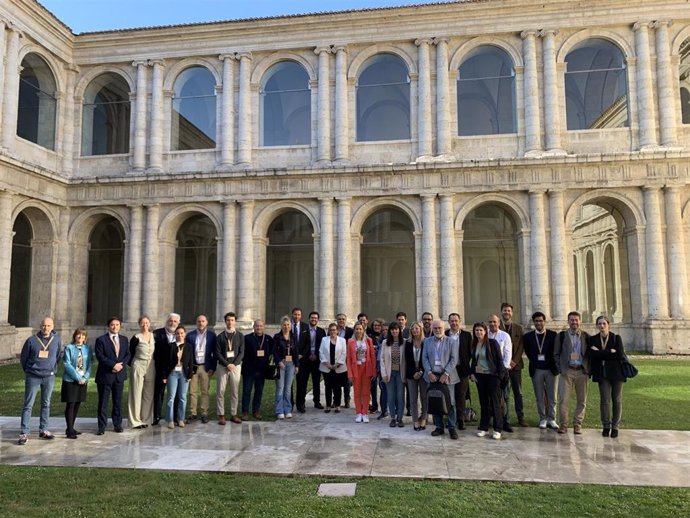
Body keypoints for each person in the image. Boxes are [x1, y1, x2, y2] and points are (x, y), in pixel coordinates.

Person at [18, 317, 63, 445]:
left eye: (48, 326)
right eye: (44, 325)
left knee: (46, 403)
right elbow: (24, 358)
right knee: (28, 405)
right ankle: (24, 432)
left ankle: (43, 429)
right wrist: (29, 370)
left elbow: (58, 356)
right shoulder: (32, 340)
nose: (46, 328)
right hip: (33, 376)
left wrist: (52, 369)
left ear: (52, 326)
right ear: (40, 326)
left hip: (49, 376)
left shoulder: (57, 340)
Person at [588, 316, 626, 438]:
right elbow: (592, 355)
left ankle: (615, 426)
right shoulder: (593, 339)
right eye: (599, 324)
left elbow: (619, 354)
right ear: (597, 325)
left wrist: (600, 353)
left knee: (617, 400)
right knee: (604, 400)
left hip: (616, 373)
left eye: (604, 323)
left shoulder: (616, 338)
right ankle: (606, 425)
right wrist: (610, 352)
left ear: (608, 325)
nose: (602, 326)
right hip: (602, 373)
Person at [554, 311, 591, 435]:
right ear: (568, 321)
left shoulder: (586, 336)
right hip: (567, 371)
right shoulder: (562, 336)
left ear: (580, 321)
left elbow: (590, 355)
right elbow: (556, 354)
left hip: (581, 371)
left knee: (582, 400)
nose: (574, 322)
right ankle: (563, 425)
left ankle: (577, 424)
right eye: (571, 320)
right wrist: (561, 369)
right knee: (563, 399)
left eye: (576, 320)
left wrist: (588, 369)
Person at [422, 320, 460, 439]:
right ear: (432, 329)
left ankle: (452, 427)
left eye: (439, 328)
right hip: (432, 375)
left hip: (447, 376)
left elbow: (454, 359)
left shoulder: (451, 342)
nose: (437, 330)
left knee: (451, 402)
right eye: (435, 328)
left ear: (444, 328)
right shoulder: (427, 342)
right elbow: (424, 359)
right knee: (435, 400)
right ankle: (439, 426)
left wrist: (446, 373)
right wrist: (429, 372)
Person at [94, 317, 130, 435]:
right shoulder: (101, 340)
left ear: (120, 326)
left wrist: (121, 365)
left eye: (117, 324)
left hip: (119, 376)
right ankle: (101, 427)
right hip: (105, 375)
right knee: (103, 402)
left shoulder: (124, 339)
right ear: (108, 326)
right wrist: (113, 365)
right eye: (112, 325)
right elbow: (100, 356)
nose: (115, 327)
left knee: (118, 402)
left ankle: (117, 425)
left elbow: (127, 355)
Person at [523, 312, 559, 430]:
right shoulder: (528, 337)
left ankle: (552, 418)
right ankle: (543, 418)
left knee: (551, 395)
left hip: (551, 370)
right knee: (539, 396)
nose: (539, 323)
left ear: (545, 321)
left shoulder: (553, 335)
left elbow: (556, 351)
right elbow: (528, 352)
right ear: (534, 322)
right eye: (536, 321)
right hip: (537, 369)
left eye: (541, 320)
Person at [470, 322, 504, 440]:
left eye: (481, 330)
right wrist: (472, 373)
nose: (478, 332)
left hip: (492, 376)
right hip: (480, 377)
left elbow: (500, 361)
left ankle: (497, 428)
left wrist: (499, 377)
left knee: (495, 403)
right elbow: (473, 361)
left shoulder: (492, 343)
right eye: (476, 330)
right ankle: (484, 427)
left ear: (485, 332)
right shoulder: (474, 344)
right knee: (484, 403)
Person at [62, 328, 93, 439]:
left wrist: (85, 377)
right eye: (78, 335)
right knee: (70, 404)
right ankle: (69, 430)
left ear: (85, 337)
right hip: (71, 380)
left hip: (83, 380)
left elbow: (90, 364)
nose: (80, 338)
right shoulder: (68, 348)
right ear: (74, 336)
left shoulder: (87, 349)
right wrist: (77, 377)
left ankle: (71, 427)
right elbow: (67, 364)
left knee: (77, 403)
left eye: (83, 336)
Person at [185, 314, 217, 423]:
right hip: (194, 367)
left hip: (205, 367)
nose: (201, 323)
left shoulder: (212, 335)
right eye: (199, 321)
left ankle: (204, 413)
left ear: (206, 322)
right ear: (196, 323)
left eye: (203, 321)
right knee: (192, 391)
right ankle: (192, 413)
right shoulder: (190, 336)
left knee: (205, 391)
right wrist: (188, 367)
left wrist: (213, 367)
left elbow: (215, 353)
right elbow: (187, 353)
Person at [500, 302, 527, 427]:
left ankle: (520, 416)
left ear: (512, 312)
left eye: (509, 311)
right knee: (502, 393)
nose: (507, 313)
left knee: (518, 392)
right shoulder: (497, 326)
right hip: (501, 367)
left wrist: (514, 360)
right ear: (501, 312)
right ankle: (503, 417)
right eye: (505, 310)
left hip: (515, 366)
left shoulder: (518, 328)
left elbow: (521, 345)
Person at [215, 311, 245, 425]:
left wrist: (234, 364)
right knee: (220, 391)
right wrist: (227, 364)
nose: (230, 322)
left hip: (236, 366)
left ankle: (233, 414)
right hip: (222, 366)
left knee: (234, 391)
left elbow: (242, 352)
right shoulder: (220, 336)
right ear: (225, 321)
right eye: (228, 320)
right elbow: (217, 353)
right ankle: (221, 415)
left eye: (232, 320)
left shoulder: (240, 336)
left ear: (235, 321)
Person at [241, 319, 274, 420]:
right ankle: (245, 412)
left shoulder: (268, 339)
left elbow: (272, 353)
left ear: (264, 327)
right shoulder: (247, 338)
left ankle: (256, 410)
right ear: (253, 327)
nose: (259, 328)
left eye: (261, 326)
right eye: (257, 326)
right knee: (247, 391)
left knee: (259, 391)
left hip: (262, 370)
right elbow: (242, 353)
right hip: (249, 370)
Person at [128, 315, 156, 429]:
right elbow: (130, 352)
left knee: (149, 393)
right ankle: (135, 421)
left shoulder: (154, 336)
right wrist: (133, 364)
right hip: (139, 363)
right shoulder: (136, 337)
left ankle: (146, 419)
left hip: (151, 365)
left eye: (147, 323)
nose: (145, 325)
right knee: (136, 392)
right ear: (139, 324)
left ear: (149, 324)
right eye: (142, 323)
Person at [152, 313, 180, 425]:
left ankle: (176, 417)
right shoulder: (157, 334)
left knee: (175, 394)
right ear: (167, 321)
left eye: (175, 321)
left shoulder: (181, 334)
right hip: (160, 369)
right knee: (159, 393)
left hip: (176, 370)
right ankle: (156, 416)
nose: (172, 323)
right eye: (170, 321)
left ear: (178, 323)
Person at [487, 314, 513, 433]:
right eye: (490, 322)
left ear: (499, 323)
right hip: (488, 372)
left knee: (505, 397)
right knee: (490, 397)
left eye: (494, 322)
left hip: (502, 371)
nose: (492, 324)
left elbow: (507, 353)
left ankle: (505, 422)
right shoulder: (485, 334)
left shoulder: (505, 336)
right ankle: (491, 420)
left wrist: (503, 370)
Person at [446, 312, 472, 430]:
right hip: (448, 369)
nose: (454, 323)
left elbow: (470, 353)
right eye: (452, 321)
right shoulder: (445, 334)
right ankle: (451, 418)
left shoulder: (467, 335)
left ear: (459, 321)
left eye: (456, 321)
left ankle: (460, 420)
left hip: (462, 369)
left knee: (461, 395)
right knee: (449, 395)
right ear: (449, 322)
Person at [164, 326, 193, 429]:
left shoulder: (189, 347)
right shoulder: (170, 346)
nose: (180, 335)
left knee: (183, 397)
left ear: (185, 334)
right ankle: (170, 420)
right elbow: (165, 362)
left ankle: (180, 419)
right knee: (171, 397)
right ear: (175, 335)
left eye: (182, 333)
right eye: (178, 333)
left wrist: (190, 375)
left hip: (184, 374)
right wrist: (164, 376)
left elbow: (191, 362)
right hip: (172, 373)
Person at [346, 322, 376, 423]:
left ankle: (365, 413)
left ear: (363, 330)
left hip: (366, 368)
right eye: (357, 329)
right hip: (356, 369)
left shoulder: (368, 341)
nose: (358, 331)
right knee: (357, 392)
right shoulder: (350, 342)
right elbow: (349, 359)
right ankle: (358, 412)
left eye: (360, 329)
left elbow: (372, 356)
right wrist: (350, 373)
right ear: (354, 330)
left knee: (366, 392)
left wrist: (373, 371)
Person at [296, 311, 326, 412]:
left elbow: (323, 346)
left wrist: (316, 355)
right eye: (312, 318)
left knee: (316, 382)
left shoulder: (322, 331)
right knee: (302, 382)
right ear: (309, 319)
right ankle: (301, 403)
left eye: (316, 318)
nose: (314, 319)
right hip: (305, 360)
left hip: (316, 360)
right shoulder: (303, 330)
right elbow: (301, 345)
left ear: (318, 320)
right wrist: (307, 355)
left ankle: (316, 402)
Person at [381, 322, 406, 428]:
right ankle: (392, 418)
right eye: (392, 330)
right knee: (391, 396)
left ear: (399, 330)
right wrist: (384, 373)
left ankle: (399, 418)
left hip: (400, 373)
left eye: (396, 329)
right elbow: (382, 359)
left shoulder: (404, 342)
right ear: (390, 331)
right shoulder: (385, 342)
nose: (394, 331)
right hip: (389, 373)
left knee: (400, 396)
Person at [274, 315, 300, 419]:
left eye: (288, 324)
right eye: (284, 325)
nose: (286, 326)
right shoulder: (277, 337)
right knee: (280, 387)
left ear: (290, 326)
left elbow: (296, 351)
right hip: (281, 363)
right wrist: (278, 361)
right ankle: (279, 410)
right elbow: (274, 351)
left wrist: (297, 365)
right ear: (281, 326)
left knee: (288, 388)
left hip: (291, 364)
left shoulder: (293, 337)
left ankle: (287, 409)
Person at [319, 322, 347, 413]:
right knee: (328, 386)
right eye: (330, 330)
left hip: (338, 367)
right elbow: (321, 352)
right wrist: (327, 364)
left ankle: (337, 405)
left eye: (334, 330)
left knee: (337, 387)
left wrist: (337, 364)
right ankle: (328, 405)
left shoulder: (342, 340)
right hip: (327, 367)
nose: (332, 332)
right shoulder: (324, 340)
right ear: (328, 331)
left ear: (337, 331)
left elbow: (344, 353)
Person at [404, 322, 427, 431]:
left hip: (424, 374)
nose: (414, 330)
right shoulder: (407, 343)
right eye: (412, 329)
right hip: (411, 374)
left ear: (420, 329)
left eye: (416, 328)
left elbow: (428, 358)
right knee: (413, 399)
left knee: (424, 397)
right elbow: (406, 360)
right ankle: (415, 421)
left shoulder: (426, 342)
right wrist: (414, 372)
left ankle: (423, 418)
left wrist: (421, 371)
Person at [368, 318, 386, 416]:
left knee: (383, 386)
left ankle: (383, 407)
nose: (377, 327)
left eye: (378, 325)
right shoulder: (369, 337)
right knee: (373, 386)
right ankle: (374, 405)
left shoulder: (385, 337)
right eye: (375, 325)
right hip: (372, 364)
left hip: (382, 365)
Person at [336, 313, 354, 408]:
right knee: (336, 382)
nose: (341, 321)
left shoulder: (350, 331)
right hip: (335, 359)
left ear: (345, 320)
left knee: (347, 382)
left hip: (347, 360)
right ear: (336, 320)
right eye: (339, 319)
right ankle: (336, 401)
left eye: (343, 319)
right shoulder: (333, 331)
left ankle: (347, 400)